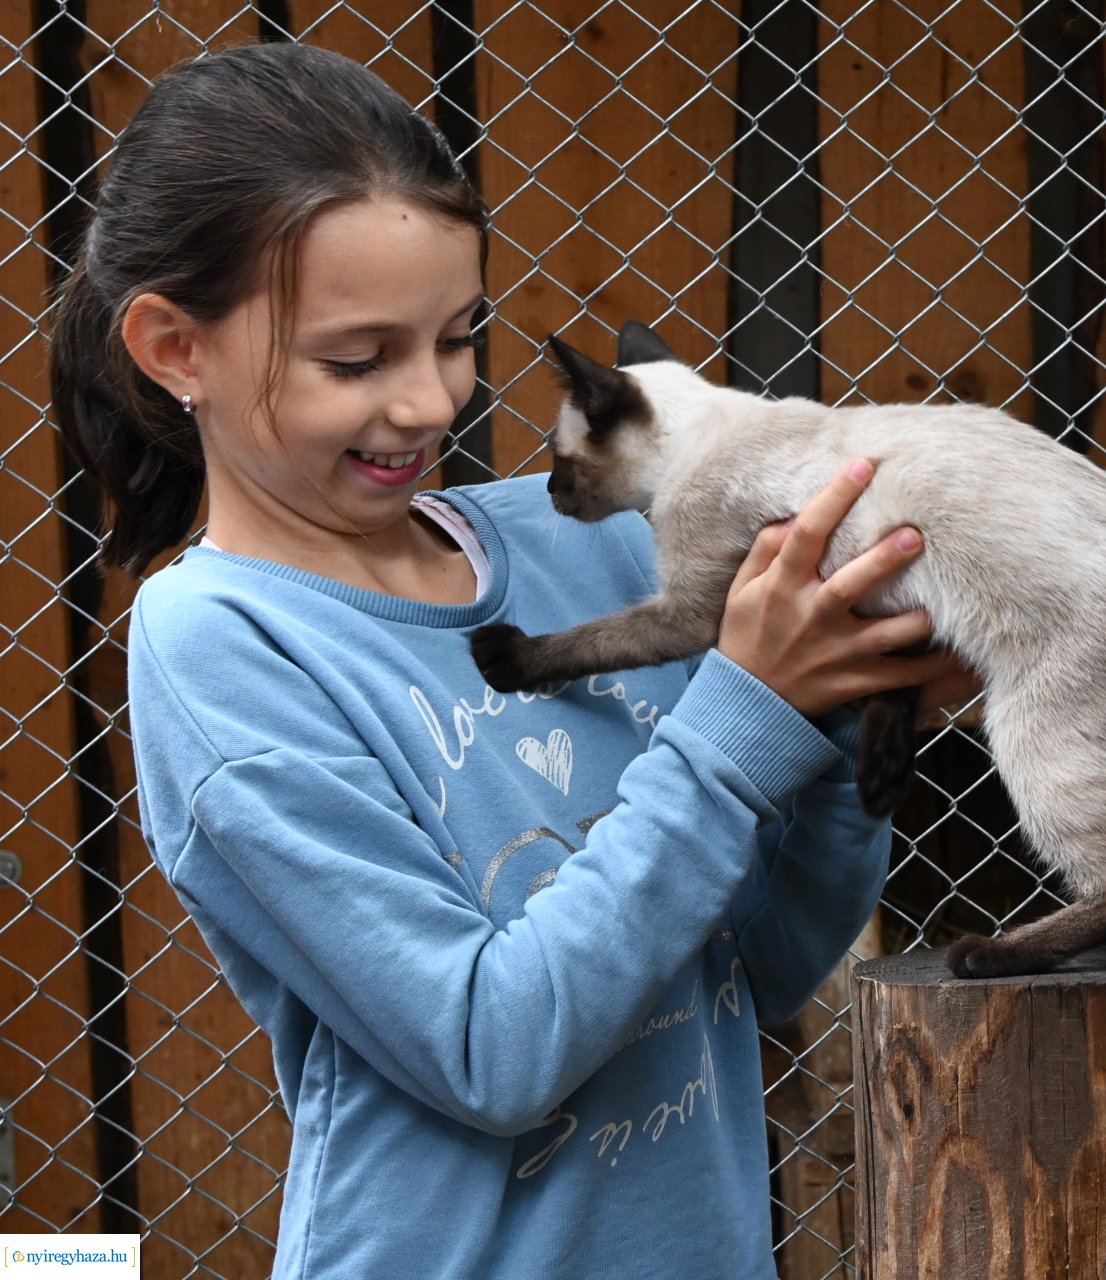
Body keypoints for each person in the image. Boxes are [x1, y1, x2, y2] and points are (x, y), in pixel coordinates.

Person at [49, 41, 973, 1278]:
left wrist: (851, 710)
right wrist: (748, 712)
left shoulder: (582, 549)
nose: (431, 401)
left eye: (457, 337)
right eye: (357, 358)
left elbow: (761, 963)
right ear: (175, 349)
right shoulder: (222, 645)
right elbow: (494, 1048)